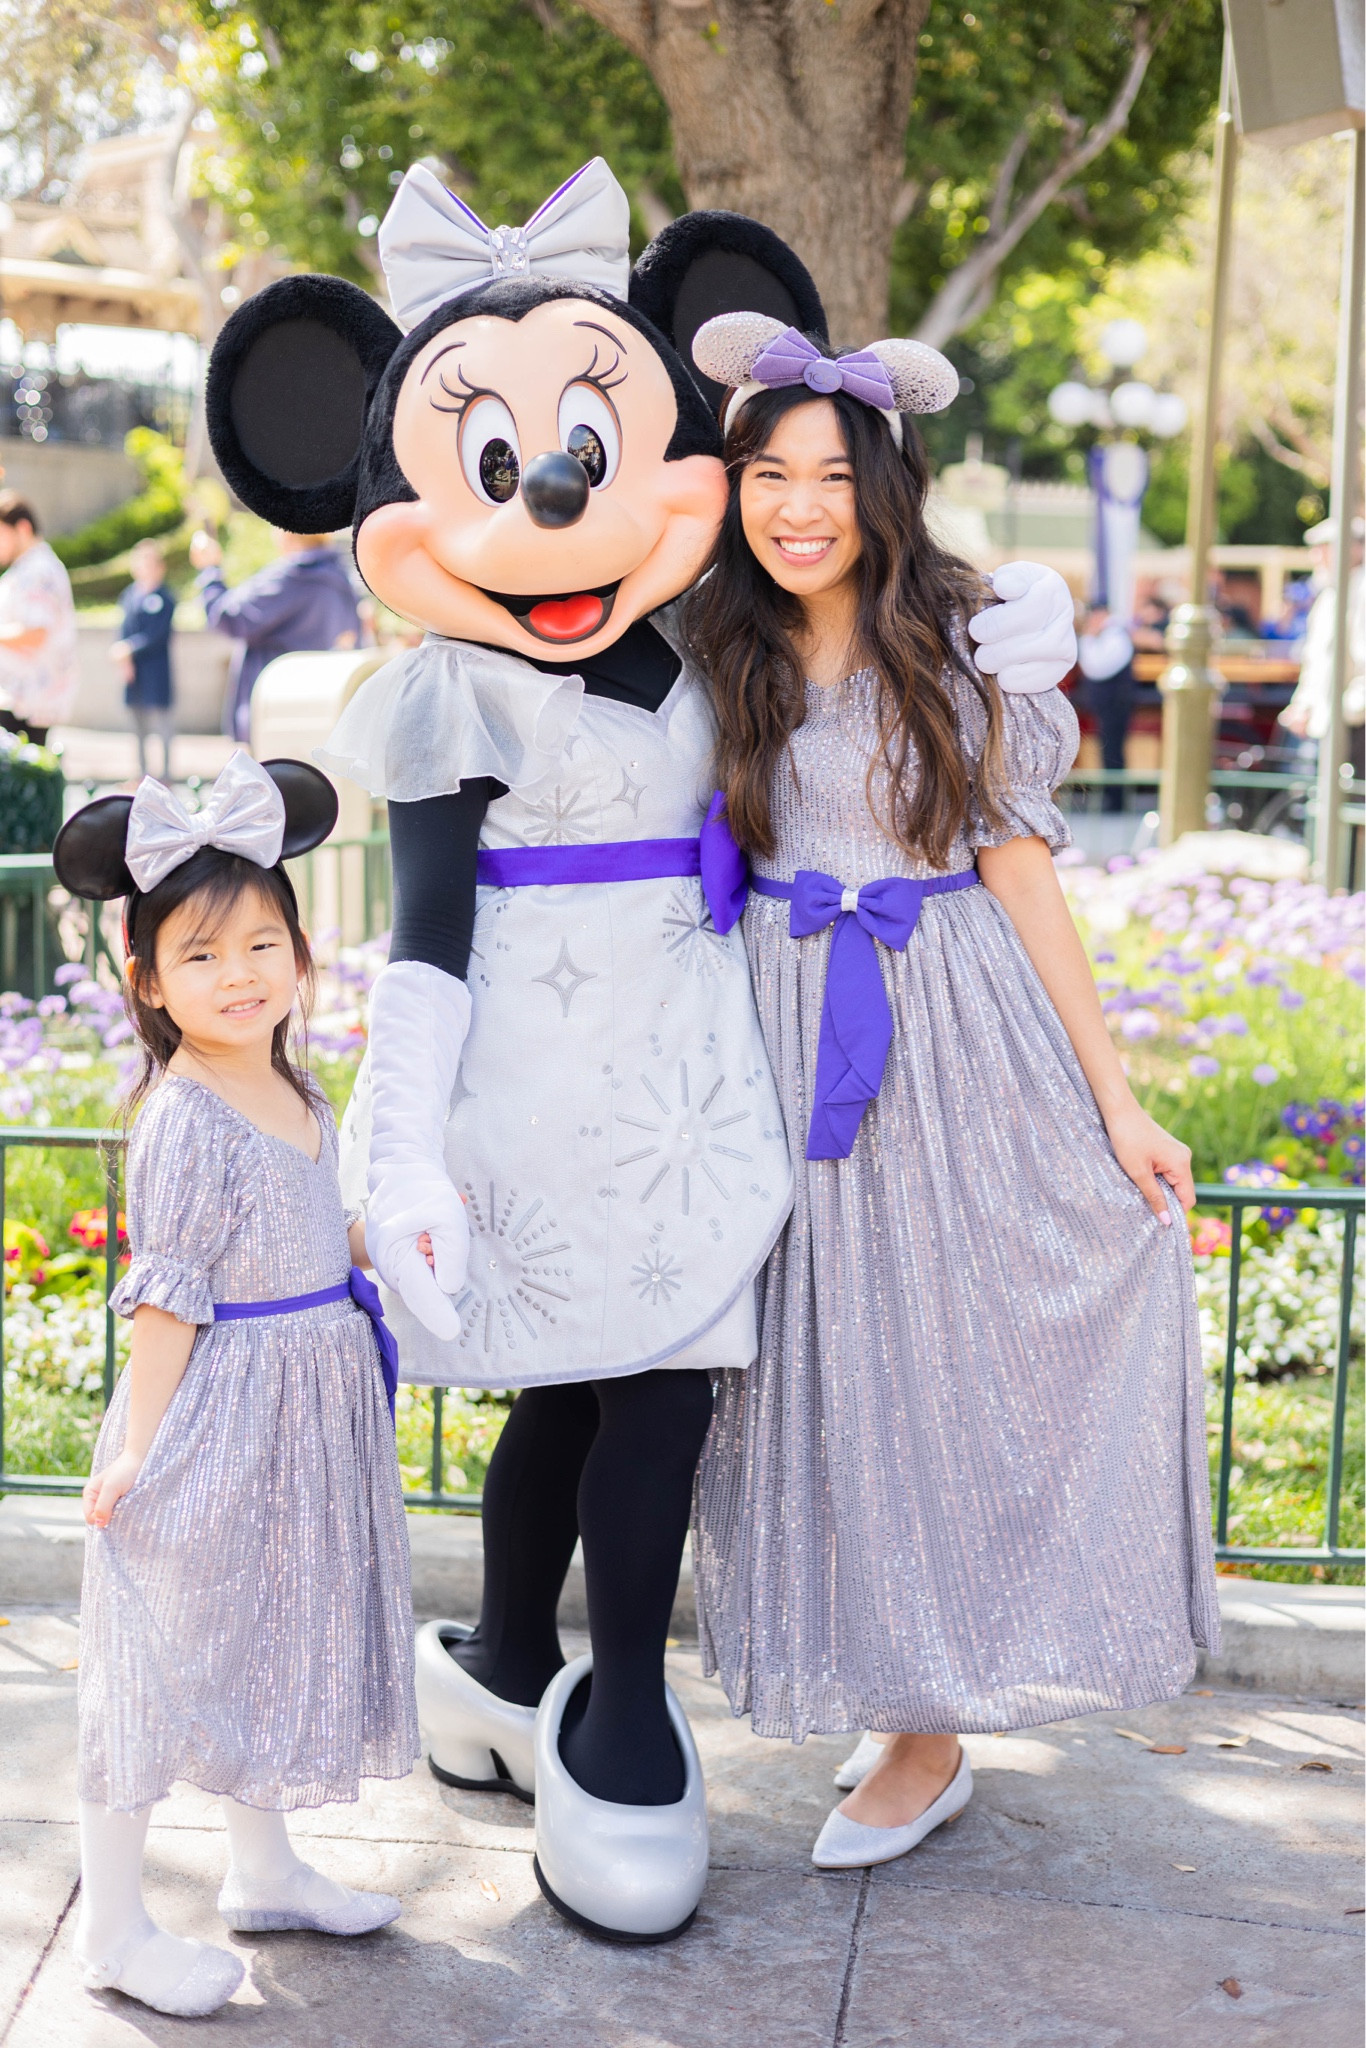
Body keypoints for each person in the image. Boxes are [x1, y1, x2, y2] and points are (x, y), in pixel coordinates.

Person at [202, 160, 1077, 1943]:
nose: (551, 500)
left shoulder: (707, 639)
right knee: (581, 1385)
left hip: (690, 1066)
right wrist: (404, 1144)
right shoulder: (442, 693)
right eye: (496, 463)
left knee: (657, 1377)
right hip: (527, 1064)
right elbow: (426, 929)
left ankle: (584, 1691)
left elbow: (865, 669)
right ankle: (545, 1678)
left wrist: (1006, 625)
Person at [685, 312, 1220, 1874]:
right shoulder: (716, 640)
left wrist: (1113, 1101)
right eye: (766, 475)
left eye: (829, 478)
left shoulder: (966, 632)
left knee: (932, 1354)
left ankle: (927, 1737)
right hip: (780, 1029)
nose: (797, 507)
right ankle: (890, 1680)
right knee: (820, 1365)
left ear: (882, 485)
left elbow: (1023, 870)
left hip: (945, 1025)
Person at [51, 751, 419, 2019]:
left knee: (271, 1633)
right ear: (147, 982)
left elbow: (311, 1226)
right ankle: (111, 1923)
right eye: (200, 956)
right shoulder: (188, 1111)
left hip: (304, 1407)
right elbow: (168, 1297)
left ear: (302, 955)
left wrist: (393, 1236)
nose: (240, 974)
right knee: (160, 1660)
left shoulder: (288, 1081)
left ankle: (263, 1869)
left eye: (263, 942)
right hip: (209, 1415)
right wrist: (134, 1451)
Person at [190, 528, 361, 742]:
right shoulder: (341, 580)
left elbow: (228, 616)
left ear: (287, 532)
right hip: (318, 713)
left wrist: (210, 569)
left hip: (272, 713)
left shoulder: (291, 577)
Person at [1279, 516, 1366, 783]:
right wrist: (1304, 705)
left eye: (1325, 547)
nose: (1317, 556)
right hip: (1331, 723)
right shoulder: (1330, 594)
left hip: (1352, 726)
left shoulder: (1360, 591)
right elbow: (1317, 662)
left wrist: (1350, 710)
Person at [0, 490, 79, 747]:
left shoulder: (39, 569)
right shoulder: (27, 568)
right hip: (19, 701)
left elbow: (35, 632)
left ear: (22, 528)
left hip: (25, 706)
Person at [111, 538, 176, 780]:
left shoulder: (165, 598)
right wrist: (124, 659)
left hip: (155, 670)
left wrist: (129, 649)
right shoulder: (129, 595)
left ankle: (166, 776)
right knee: (137, 726)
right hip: (134, 672)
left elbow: (157, 635)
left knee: (162, 724)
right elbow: (124, 630)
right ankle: (141, 774)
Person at [1076, 602, 1135, 813]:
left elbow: (1096, 668)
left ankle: (1115, 801)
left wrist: (1088, 638)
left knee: (1113, 751)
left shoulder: (1115, 635)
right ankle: (1113, 798)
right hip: (1109, 703)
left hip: (1115, 703)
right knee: (1110, 750)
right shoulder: (1113, 635)